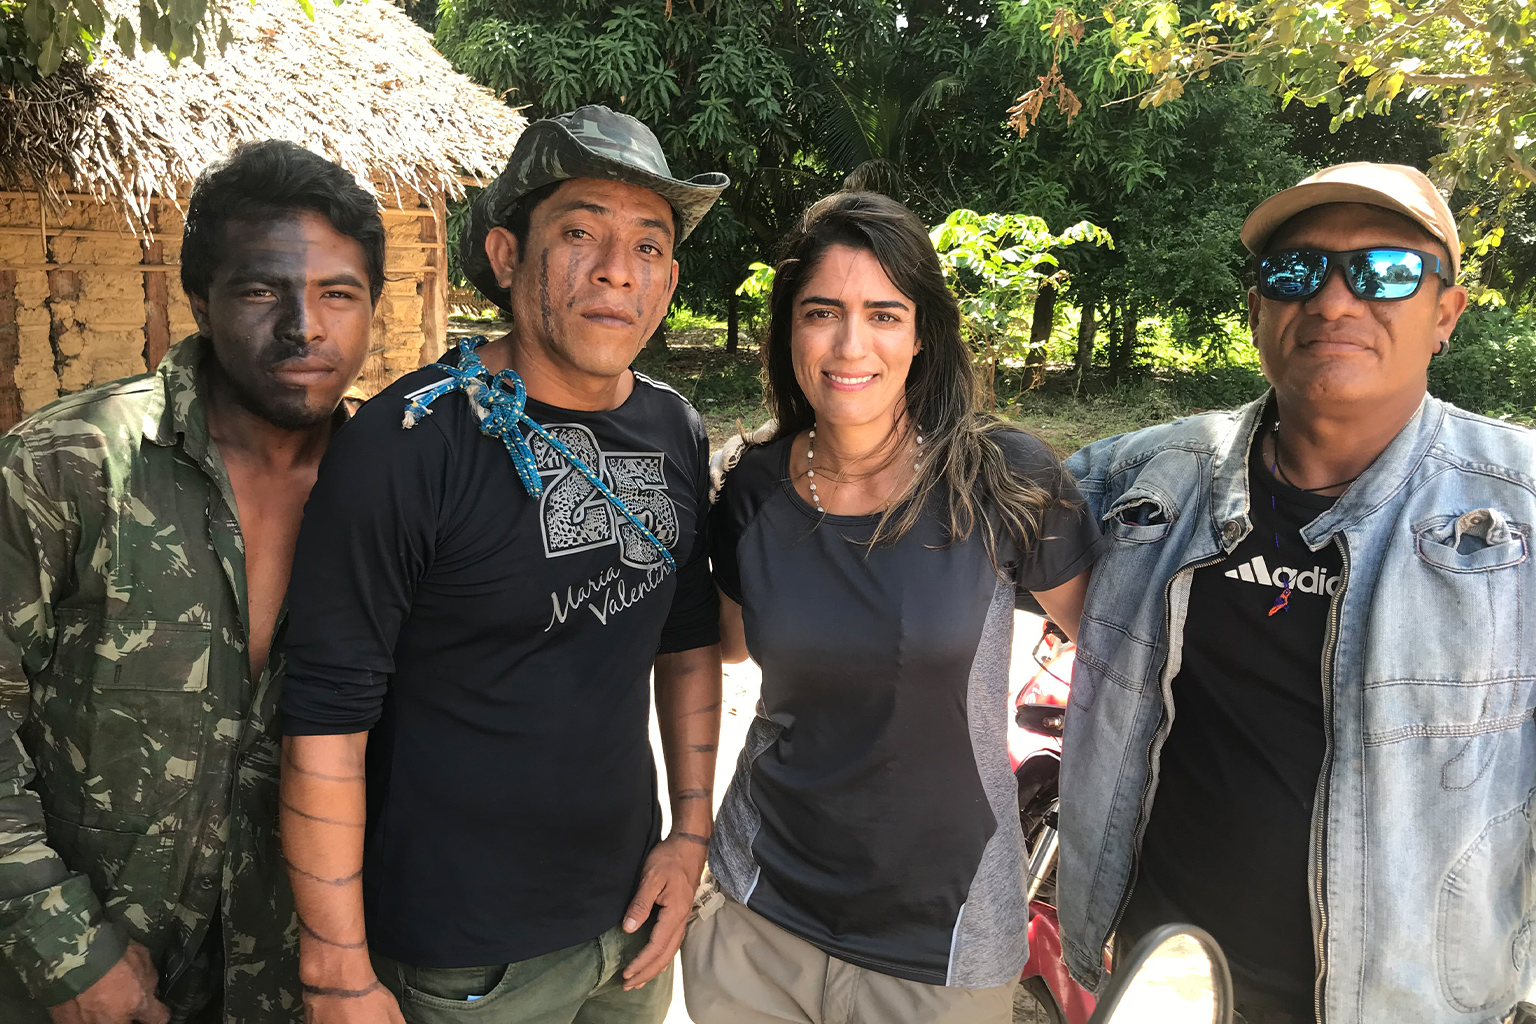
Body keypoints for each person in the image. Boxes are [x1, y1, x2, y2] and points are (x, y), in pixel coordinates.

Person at [276, 105, 729, 1024]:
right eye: (579, 233)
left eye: (648, 246)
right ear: (507, 255)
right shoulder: (411, 444)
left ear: (670, 281)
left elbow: (684, 640)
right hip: (466, 961)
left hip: (630, 925)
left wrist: (688, 832)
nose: (616, 270)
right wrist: (337, 969)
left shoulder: (671, 427)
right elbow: (327, 713)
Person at [1057, 162, 1536, 1024]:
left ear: (1447, 316)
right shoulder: (1146, 479)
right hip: (1167, 985)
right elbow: (955, 505)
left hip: (1409, 1003)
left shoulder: (1519, 514)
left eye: (1387, 270)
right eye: (1297, 272)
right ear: (1257, 311)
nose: (1335, 301)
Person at [683, 191, 1108, 1024]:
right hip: (757, 911)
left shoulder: (1003, 480)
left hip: (939, 941)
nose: (851, 345)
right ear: (788, 332)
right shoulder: (755, 486)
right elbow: (725, 647)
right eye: (822, 313)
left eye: (884, 313)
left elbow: (1120, 656)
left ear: (921, 335)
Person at [0, 140, 382, 1024]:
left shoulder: (400, 493)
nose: (304, 327)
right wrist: (65, 947)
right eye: (261, 290)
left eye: (338, 294)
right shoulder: (70, 467)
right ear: (201, 302)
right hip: (76, 980)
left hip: (303, 986)